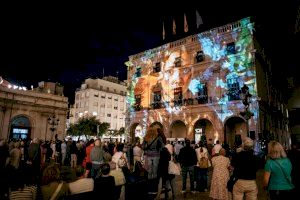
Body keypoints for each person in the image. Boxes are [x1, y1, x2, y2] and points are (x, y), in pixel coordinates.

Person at [142, 127, 165, 196]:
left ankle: (149, 189)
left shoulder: (146, 138)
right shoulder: (158, 137)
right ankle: (154, 189)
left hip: (149, 155)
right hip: (156, 155)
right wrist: (158, 151)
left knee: (149, 172)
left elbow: (143, 147)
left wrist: (146, 151)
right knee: (155, 173)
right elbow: (162, 146)